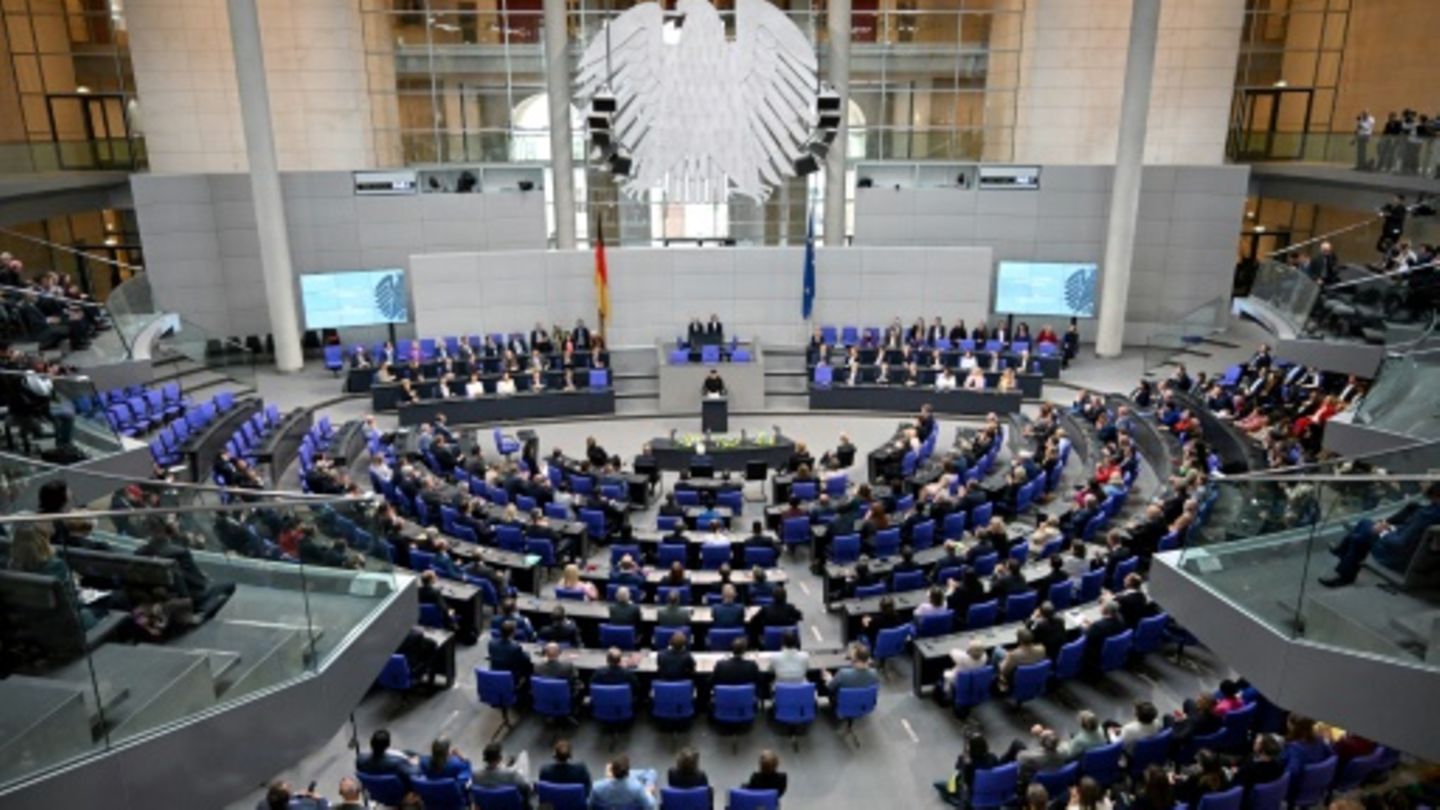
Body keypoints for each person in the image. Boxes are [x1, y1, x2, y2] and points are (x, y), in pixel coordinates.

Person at [1321, 481, 1440, 586]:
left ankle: (1345, 576)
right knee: (1365, 524)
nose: (1422, 483)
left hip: (1398, 557)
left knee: (1359, 538)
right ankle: (1342, 551)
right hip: (1412, 548)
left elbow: (1401, 544)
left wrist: (1383, 532)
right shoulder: (1432, 511)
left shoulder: (1426, 517)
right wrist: (1390, 528)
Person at [590, 754, 657, 809]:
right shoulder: (637, 789)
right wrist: (648, 793)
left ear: (612, 771)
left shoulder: (596, 787)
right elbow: (650, 806)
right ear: (628, 771)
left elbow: (590, 805)